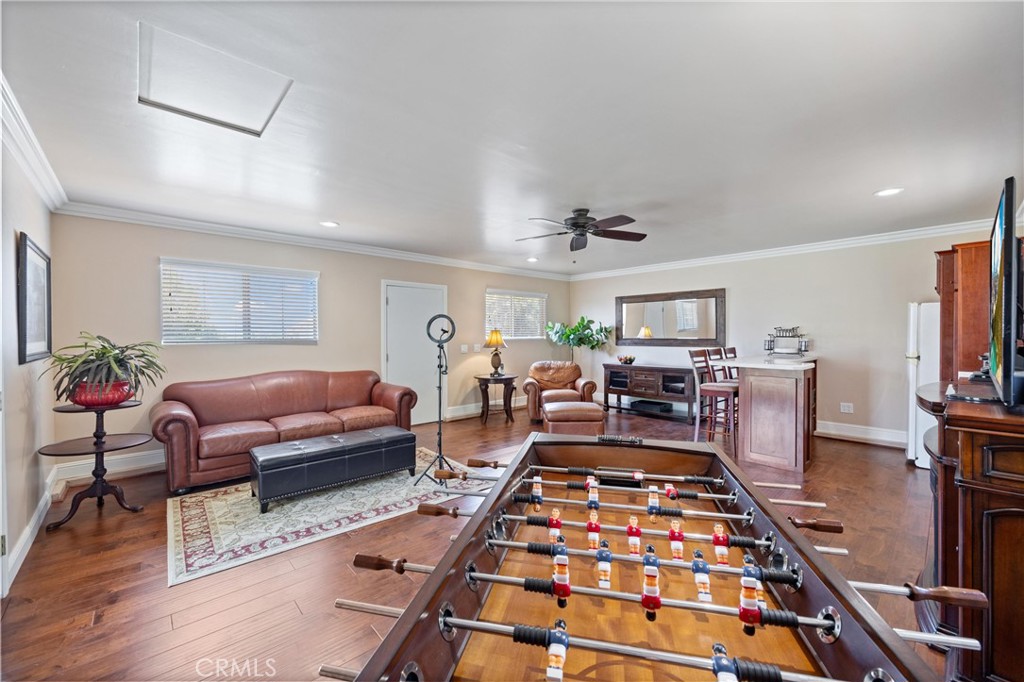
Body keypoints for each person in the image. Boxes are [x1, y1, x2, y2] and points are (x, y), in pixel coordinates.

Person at [640, 544, 662, 621]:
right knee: (648, 577)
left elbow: (659, 598)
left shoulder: (658, 605)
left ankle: (651, 565)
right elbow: (643, 596)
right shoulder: (644, 603)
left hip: (655, 590)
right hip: (647, 589)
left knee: (654, 577)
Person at [552, 535, 570, 608]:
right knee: (557, 568)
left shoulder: (568, 593)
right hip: (557, 576)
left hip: (565, 578)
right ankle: (560, 548)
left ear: (566, 600)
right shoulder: (555, 591)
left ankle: (561, 550)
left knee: (564, 565)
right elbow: (553, 581)